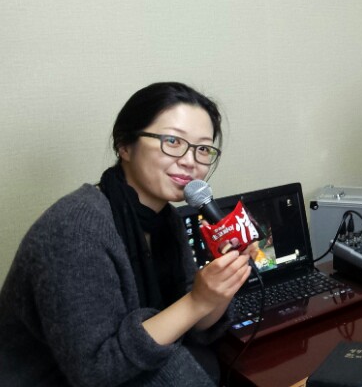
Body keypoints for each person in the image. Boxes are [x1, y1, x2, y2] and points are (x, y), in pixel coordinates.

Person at [0, 82, 253, 386]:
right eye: (173, 141)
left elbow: (190, 325)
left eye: (202, 149)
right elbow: (96, 370)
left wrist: (219, 292)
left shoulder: (166, 219)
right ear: (124, 145)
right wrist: (197, 301)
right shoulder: (75, 229)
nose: (190, 161)